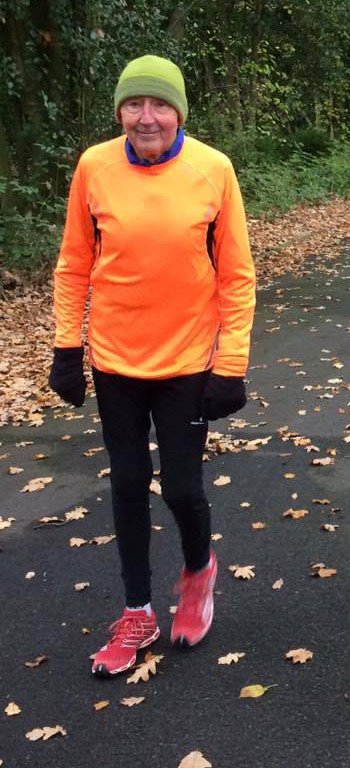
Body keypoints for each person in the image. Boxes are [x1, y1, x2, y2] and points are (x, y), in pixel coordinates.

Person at [49, 55, 256, 677]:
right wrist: (66, 349)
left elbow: (237, 276)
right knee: (127, 482)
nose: (147, 118)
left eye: (159, 105)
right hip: (115, 360)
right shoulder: (94, 166)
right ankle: (137, 610)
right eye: (134, 105)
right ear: (119, 111)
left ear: (179, 112)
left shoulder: (213, 170)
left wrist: (231, 365)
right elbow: (73, 264)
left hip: (189, 362)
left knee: (185, 490)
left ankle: (198, 573)